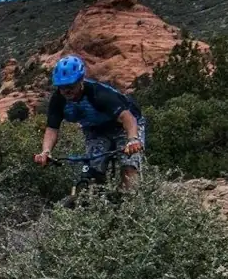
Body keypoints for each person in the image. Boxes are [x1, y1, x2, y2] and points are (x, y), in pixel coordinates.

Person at [33, 54, 145, 188]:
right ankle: (98, 202)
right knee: (92, 171)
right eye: (62, 87)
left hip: (124, 126)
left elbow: (128, 118)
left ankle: (132, 202)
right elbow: (52, 129)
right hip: (95, 129)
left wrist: (132, 139)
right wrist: (46, 152)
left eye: (71, 86)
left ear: (81, 80)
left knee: (129, 168)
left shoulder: (99, 94)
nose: (67, 91)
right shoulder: (58, 100)